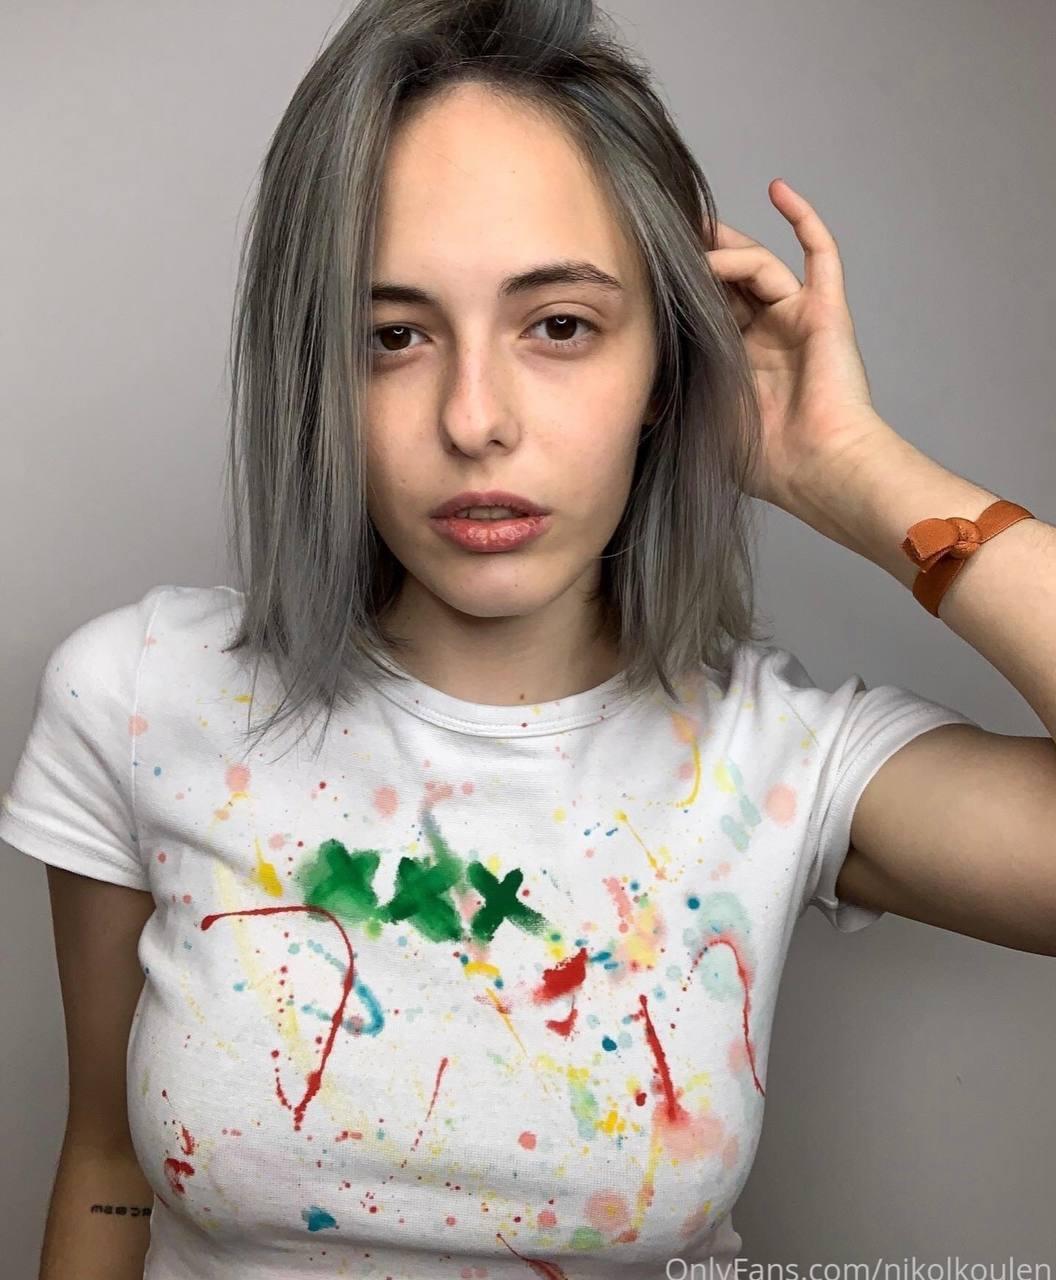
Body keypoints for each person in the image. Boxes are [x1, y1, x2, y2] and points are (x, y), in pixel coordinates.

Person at [3, 2, 1054, 1278]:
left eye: (559, 325)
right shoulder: (139, 696)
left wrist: (852, 467)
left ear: (668, 367)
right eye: (394, 335)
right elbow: (108, 1167)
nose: (475, 418)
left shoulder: (781, 760)